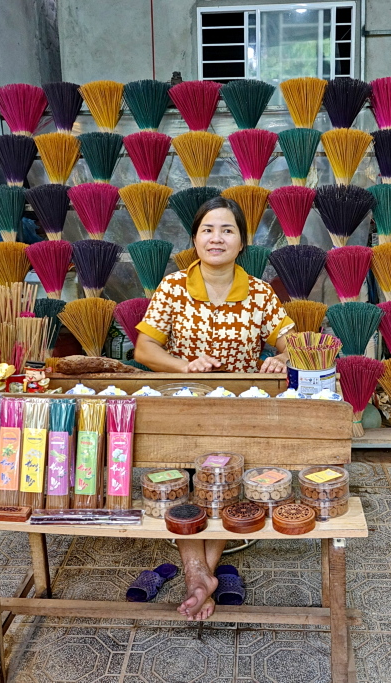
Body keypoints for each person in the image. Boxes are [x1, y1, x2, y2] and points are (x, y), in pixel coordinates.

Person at [133, 196, 295, 621]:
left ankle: (197, 577)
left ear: (242, 242)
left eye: (227, 230)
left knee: (219, 481)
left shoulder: (259, 293)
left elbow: (292, 342)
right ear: (195, 239)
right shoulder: (173, 287)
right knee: (187, 478)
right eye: (208, 229)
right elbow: (144, 348)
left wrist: (281, 358)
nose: (217, 238)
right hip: (184, 407)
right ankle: (199, 576)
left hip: (239, 411)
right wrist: (183, 365)